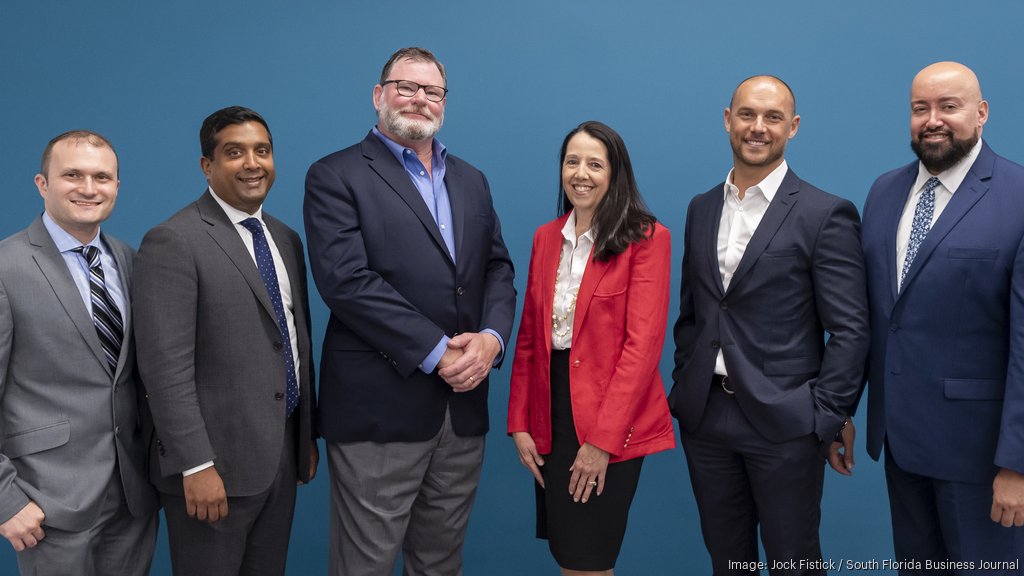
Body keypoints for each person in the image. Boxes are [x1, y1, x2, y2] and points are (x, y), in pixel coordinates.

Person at [303, 46, 516, 576]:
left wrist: (491, 338)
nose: (420, 99)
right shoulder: (335, 175)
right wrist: (437, 351)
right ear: (379, 95)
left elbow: (498, 270)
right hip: (379, 409)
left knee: (440, 562)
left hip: (462, 409)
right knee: (365, 565)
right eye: (406, 87)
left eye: (433, 91)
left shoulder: (471, 179)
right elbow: (346, 282)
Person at [670, 75, 869, 575]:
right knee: (728, 562)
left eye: (773, 117)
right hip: (707, 419)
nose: (758, 128)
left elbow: (850, 330)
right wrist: (685, 383)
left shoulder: (825, 213)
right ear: (727, 119)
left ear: (793, 127)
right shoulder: (701, 208)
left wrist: (823, 417)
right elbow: (693, 313)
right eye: (747, 115)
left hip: (786, 426)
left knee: (792, 563)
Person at [133, 106, 318, 576]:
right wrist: (195, 465)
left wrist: (303, 437)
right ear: (207, 165)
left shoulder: (285, 238)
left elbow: (292, 343)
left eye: (263, 151)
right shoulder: (174, 240)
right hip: (211, 469)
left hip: (278, 456)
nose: (252, 163)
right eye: (234, 152)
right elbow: (164, 368)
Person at [857, 61, 1024, 571]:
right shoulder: (885, 192)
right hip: (901, 445)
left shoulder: (1019, 197)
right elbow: (875, 317)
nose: (933, 119)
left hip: (979, 456)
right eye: (920, 108)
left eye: (949, 107)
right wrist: (843, 408)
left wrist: (1017, 464)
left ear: (982, 113)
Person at [507, 121, 675, 575]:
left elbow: (643, 349)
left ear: (615, 173)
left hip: (610, 420)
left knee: (588, 558)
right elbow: (528, 339)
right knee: (567, 554)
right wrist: (520, 421)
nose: (581, 173)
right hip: (552, 413)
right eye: (572, 161)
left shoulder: (646, 238)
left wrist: (602, 443)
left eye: (595, 164)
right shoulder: (547, 237)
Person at [0, 131, 158, 574]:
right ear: (41, 183)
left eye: (101, 177)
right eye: (72, 175)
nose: (89, 189)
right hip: (47, 500)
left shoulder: (131, 261)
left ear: (116, 188)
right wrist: (5, 499)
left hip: (133, 495)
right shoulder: (5, 267)